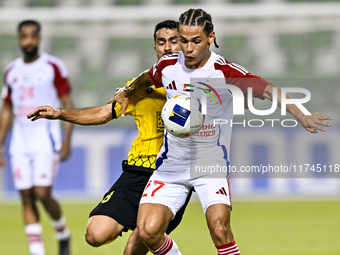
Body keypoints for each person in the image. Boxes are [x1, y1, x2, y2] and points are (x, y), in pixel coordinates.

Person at [108, 8, 332, 255]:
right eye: (183, 40)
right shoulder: (168, 65)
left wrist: (302, 114)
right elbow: (146, 77)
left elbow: (268, 89)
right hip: (172, 163)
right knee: (148, 230)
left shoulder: (224, 72)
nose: (188, 48)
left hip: (209, 162)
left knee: (219, 229)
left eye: (196, 41)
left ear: (211, 37)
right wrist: (128, 91)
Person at [27, 20, 192, 255]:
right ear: (155, 48)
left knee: (136, 245)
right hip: (137, 171)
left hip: (171, 175)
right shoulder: (138, 87)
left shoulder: (197, 84)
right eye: (161, 42)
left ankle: (149, 226)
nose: (167, 47)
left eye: (173, 41)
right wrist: (59, 113)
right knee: (95, 234)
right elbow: (104, 113)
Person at [0, 20, 73, 255]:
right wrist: (1, 143)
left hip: (45, 138)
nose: (28, 41)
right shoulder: (12, 70)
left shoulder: (52, 66)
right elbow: (6, 108)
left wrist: (67, 139)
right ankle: (37, 252)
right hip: (19, 142)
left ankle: (62, 233)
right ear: (19, 39)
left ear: (39, 38)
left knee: (42, 192)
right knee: (26, 196)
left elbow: (67, 104)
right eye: (24, 36)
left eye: (33, 36)